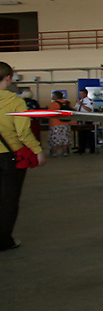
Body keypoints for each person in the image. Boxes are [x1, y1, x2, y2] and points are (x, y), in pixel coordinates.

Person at [0, 61, 46, 251]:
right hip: (8, 158)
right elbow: (23, 133)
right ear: (9, 78)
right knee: (9, 198)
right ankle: (3, 240)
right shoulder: (16, 102)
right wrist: (38, 151)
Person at [48, 90, 73, 157]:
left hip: (55, 124)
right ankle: (65, 152)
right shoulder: (67, 103)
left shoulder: (53, 104)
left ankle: (54, 153)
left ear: (55, 97)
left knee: (55, 139)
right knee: (65, 139)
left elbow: (50, 113)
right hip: (66, 123)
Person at [74, 88, 95, 154]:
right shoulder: (80, 101)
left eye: (81, 93)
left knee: (89, 135)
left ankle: (92, 149)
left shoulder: (89, 101)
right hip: (80, 119)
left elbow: (89, 109)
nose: (80, 95)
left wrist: (81, 104)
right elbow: (76, 109)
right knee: (81, 135)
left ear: (85, 94)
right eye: (79, 93)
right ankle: (81, 149)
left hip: (87, 119)